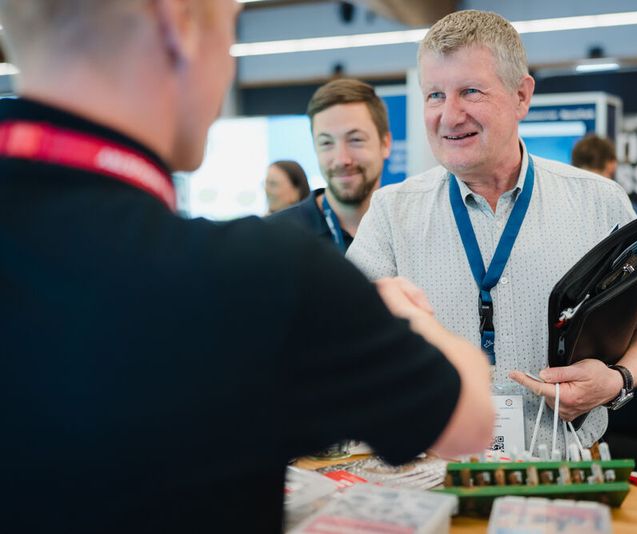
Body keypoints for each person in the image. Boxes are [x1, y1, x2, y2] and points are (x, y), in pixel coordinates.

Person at [0, 1, 494, 532]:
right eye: (229, 30)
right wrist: (406, 314)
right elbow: (468, 421)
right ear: (178, 23)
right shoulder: (264, 274)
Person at [347, 10, 637, 450]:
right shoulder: (392, 211)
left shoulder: (598, 201)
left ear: (521, 95)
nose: (449, 115)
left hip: (568, 469)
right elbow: (343, 342)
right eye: (435, 95)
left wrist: (618, 381)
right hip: (431, 471)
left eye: (470, 92)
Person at [270, 78, 390, 253]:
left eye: (355, 139)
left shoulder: (410, 230)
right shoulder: (276, 237)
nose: (342, 159)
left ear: (385, 144)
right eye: (326, 143)